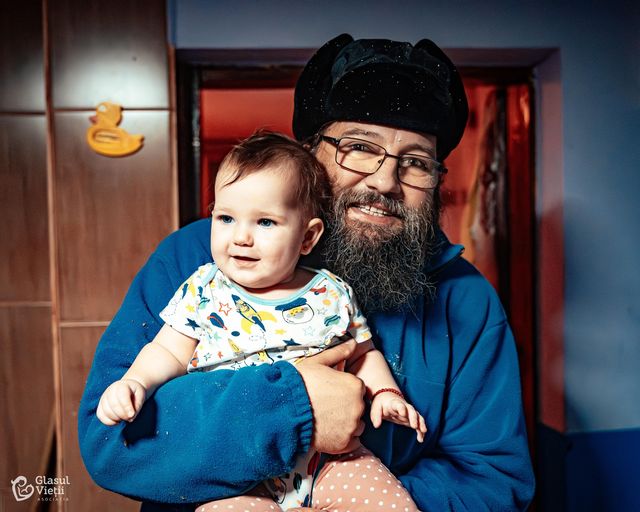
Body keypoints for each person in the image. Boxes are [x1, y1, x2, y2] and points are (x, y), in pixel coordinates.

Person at [79, 34, 535, 511]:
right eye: (359, 147)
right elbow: (111, 444)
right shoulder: (195, 260)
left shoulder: (467, 300)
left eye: (416, 162)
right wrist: (292, 409)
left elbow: (492, 480)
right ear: (309, 155)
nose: (385, 181)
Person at [95, 132, 426, 511]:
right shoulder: (204, 289)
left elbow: (363, 353)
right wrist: (135, 382)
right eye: (225, 218)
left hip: (330, 461)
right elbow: (168, 351)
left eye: (265, 222)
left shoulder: (331, 292)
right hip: (235, 473)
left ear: (308, 237)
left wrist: (385, 394)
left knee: (392, 504)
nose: (241, 237)